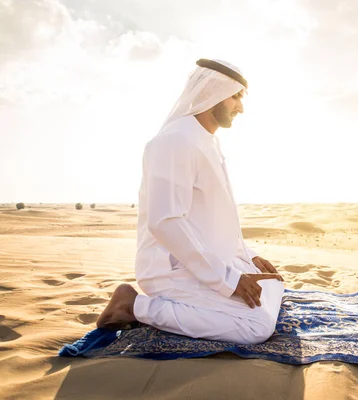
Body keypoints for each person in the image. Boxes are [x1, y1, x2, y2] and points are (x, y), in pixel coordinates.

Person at [96, 59, 285, 345]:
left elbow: (216, 218)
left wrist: (249, 255)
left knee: (274, 288)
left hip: (210, 257)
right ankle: (133, 305)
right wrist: (229, 280)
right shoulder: (175, 141)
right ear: (213, 92)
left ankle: (225, 285)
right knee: (256, 327)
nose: (240, 108)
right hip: (172, 269)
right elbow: (165, 222)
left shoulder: (207, 140)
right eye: (236, 96)